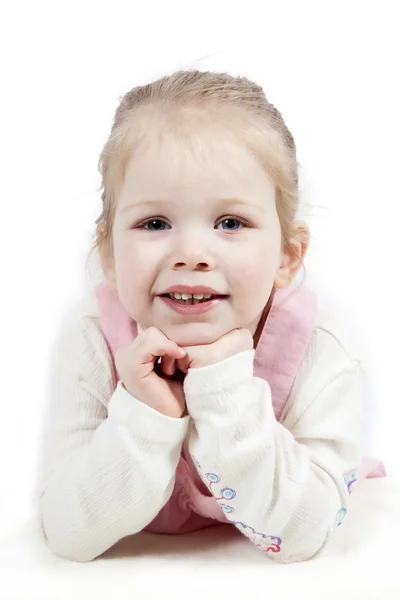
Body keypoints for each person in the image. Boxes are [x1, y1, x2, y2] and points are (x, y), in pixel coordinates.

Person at [34, 69, 385, 564]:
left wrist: (225, 391)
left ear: (287, 254)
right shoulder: (94, 339)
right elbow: (67, 534)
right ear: (108, 254)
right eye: (155, 223)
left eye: (230, 223)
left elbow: (307, 534)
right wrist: (147, 413)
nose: (192, 254)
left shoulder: (321, 349)